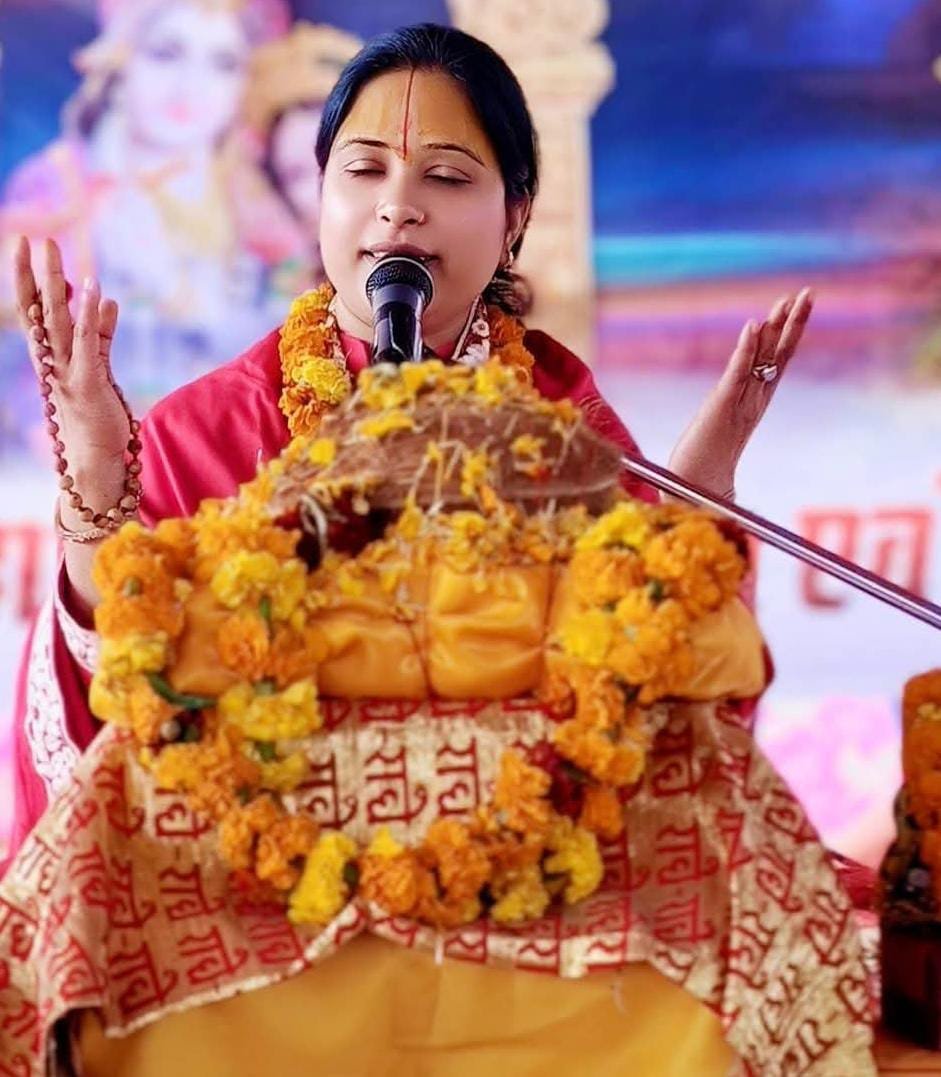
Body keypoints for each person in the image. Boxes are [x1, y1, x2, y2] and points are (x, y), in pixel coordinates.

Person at [3, 24, 861, 1076]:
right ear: (318, 202)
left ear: (513, 226)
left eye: (444, 177)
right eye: (360, 171)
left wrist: (691, 508)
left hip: (536, 907)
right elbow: (108, 728)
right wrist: (96, 494)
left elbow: (665, 727)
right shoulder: (203, 430)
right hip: (263, 909)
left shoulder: (561, 425)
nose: (394, 206)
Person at [1, 0, 290, 407]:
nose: (192, 85)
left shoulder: (260, 201)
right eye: (166, 54)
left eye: (224, 63)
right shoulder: (55, 188)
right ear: (121, 61)